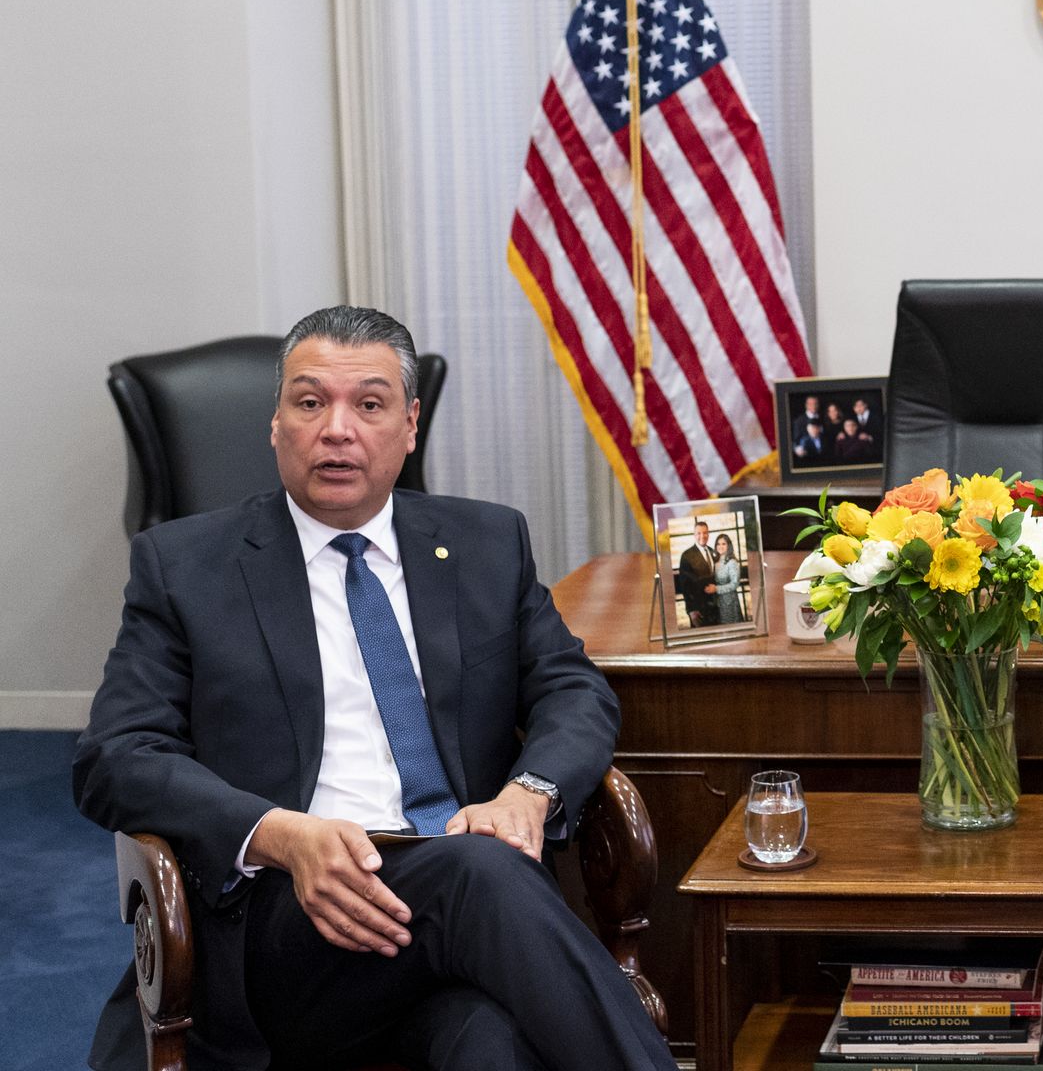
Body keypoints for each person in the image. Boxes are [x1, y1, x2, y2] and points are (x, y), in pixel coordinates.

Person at [72, 306, 676, 1071]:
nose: (337, 429)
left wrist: (528, 791)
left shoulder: (488, 542)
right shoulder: (186, 566)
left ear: (411, 424)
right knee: (483, 874)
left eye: (369, 403)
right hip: (289, 923)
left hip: (458, 917)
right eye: (310, 400)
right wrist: (280, 834)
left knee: (488, 1045)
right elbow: (113, 758)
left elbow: (573, 688)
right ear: (276, 422)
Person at [676, 521, 718, 627]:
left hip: (716, 608)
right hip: (698, 610)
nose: (702, 536)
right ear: (694, 535)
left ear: (708, 534)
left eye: (705, 533)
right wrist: (691, 610)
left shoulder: (714, 552)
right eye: (699, 533)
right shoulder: (686, 555)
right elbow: (684, 585)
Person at [711, 533, 744, 624]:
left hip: (729, 602)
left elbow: (735, 584)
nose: (720, 546)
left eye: (723, 544)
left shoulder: (732, 562)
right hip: (717, 603)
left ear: (728, 546)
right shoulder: (715, 561)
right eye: (718, 544)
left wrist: (716, 589)